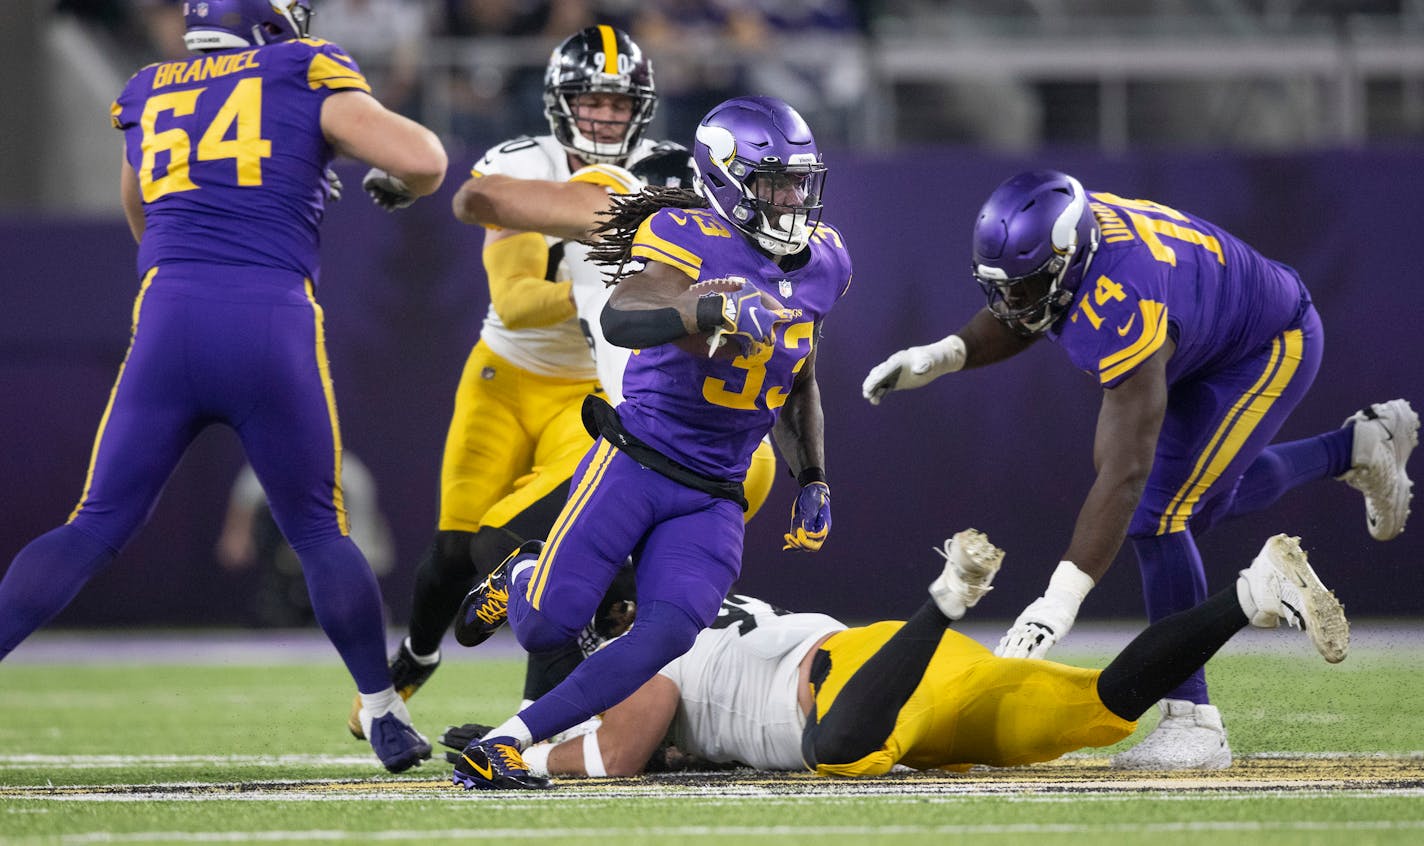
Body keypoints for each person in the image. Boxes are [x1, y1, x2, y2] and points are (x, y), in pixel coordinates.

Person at [0, 0, 447, 774]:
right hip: (268, 315)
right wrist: (375, 185)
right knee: (318, 532)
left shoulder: (150, 86)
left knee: (94, 524)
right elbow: (424, 159)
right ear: (275, 20)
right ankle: (382, 713)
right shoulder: (302, 65)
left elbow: (142, 208)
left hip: (169, 314)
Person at [861, 169, 1416, 770]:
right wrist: (943, 356)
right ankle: (1358, 447)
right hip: (1205, 336)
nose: (1009, 304)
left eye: (1024, 287)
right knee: (1191, 501)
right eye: (1001, 287)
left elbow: (1124, 474)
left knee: (1157, 512)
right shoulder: (1070, 246)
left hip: (1267, 344)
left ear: (1070, 260)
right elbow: (1024, 312)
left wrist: (1057, 604)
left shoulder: (1124, 296)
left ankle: (1193, 722)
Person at [349, 25, 774, 740]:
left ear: (639, 106)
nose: (605, 114)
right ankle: (419, 659)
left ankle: (541, 712)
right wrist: (597, 301)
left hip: (601, 394)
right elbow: (515, 298)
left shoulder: (670, 170)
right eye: (590, 99)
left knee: (531, 547)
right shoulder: (525, 162)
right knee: (454, 551)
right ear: (558, 101)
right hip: (508, 372)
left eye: (617, 101)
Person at [447, 94, 851, 790]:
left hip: (716, 489)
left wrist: (811, 475)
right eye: (773, 182)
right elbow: (626, 315)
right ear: (726, 181)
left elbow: (799, 374)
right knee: (547, 627)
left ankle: (506, 743)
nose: (791, 199)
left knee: (668, 632)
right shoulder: (684, 233)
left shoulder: (827, 261)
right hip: (636, 459)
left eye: (798, 181)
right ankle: (517, 578)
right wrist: (711, 305)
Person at [440, 529, 1348, 779]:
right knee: (1097, 708)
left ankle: (946, 599)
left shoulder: (654, 638)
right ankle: (1249, 592)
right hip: (890, 672)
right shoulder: (692, 607)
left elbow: (621, 749)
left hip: (846, 686)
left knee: (836, 753)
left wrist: (525, 746)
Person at [217, 453, 393, 628]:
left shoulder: (351, 475)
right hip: (283, 568)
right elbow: (235, 537)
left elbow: (365, 543)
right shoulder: (262, 470)